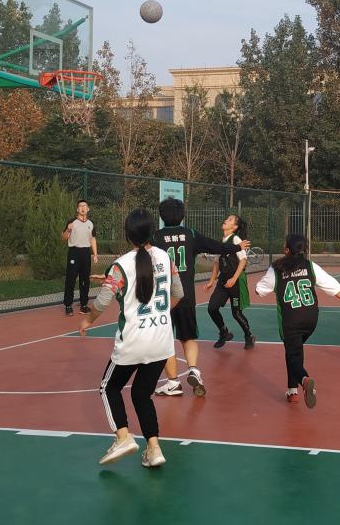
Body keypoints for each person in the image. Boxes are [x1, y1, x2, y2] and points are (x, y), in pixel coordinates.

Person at [80, 209, 183, 468]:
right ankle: (154, 448)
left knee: (108, 388)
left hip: (133, 343)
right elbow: (178, 293)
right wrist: (161, 314)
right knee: (141, 394)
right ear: (152, 232)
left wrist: (88, 320)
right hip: (162, 342)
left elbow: (102, 301)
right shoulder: (165, 257)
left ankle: (123, 438)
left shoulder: (121, 265)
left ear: (128, 235)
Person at [152, 198, 250, 397]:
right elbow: (216, 246)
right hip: (186, 296)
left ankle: (173, 383)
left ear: (161, 216)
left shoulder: (155, 237)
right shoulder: (190, 234)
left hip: (164, 298)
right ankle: (194, 370)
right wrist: (237, 247)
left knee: (165, 341)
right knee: (188, 337)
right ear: (182, 215)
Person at [255, 234, 340, 406]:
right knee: (294, 351)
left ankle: (304, 380)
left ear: (286, 250)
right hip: (311, 319)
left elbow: (259, 290)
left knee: (293, 355)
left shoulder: (276, 269)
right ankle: (292, 391)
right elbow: (334, 287)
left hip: (291, 320)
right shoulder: (311, 266)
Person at [205, 214, 255, 349]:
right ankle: (224, 332)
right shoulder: (220, 242)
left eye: (230, 219)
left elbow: (243, 261)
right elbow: (216, 263)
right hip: (223, 281)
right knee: (212, 308)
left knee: (236, 313)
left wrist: (234, 278)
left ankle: (248, 335)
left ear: (235, 227)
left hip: (235, 281)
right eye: (227, 219)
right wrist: (211, 281)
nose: (226, 220)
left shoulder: (235, 239)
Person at [62, 199, 98, 316]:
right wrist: (68, 229)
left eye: (85, 206)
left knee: (85, 280)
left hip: (86, 253)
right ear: (77, 209)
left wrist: (95, 254)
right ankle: (68, 305)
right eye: (80, 206)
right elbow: (63, 238)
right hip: (74, 252)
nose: (83, 208)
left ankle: (84, 305)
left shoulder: (91, 223)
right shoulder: (72, 222)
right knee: (71, 279)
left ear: (88, 209)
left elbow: (93, 239)